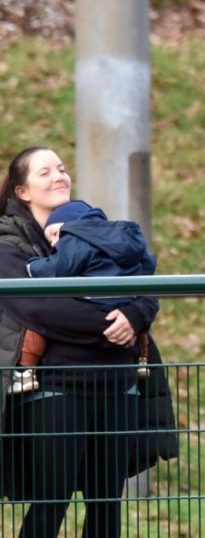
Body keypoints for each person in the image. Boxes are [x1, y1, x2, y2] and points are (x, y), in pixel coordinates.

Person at [0, 146, 159, 538]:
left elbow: (145, 286)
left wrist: (134, 315)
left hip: (117, 383)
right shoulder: (8, 247)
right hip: (55, 387)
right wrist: (115, 321)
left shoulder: (93, 228)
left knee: (107, 505)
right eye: (44, 172)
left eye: (62, 168)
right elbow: (41, 310)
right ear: (22, 191)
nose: (59, 176)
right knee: (50, 502)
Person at [8, 199, 157, 394]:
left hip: (95, 301)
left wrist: (33, 266)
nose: (54, 243)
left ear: (72, 225)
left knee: (33, 329)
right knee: (139, 329)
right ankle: (142, 361)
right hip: (126, 300)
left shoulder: (75, 238)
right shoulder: (126, 237)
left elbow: (59, 267)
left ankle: (25, 371)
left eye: (54, 234)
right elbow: (148, 265)